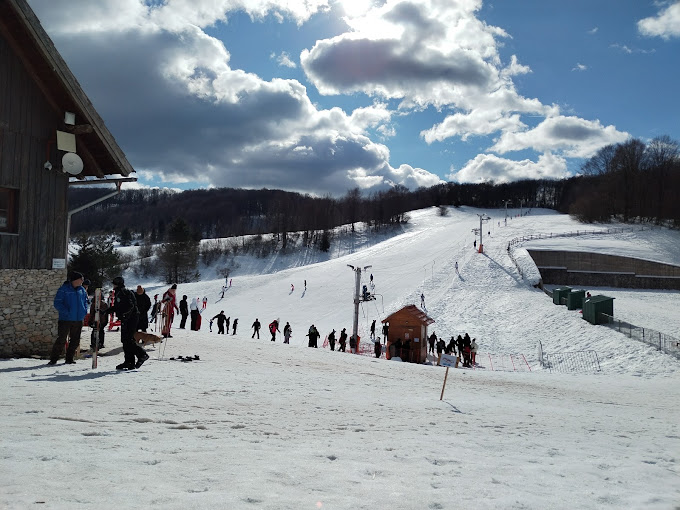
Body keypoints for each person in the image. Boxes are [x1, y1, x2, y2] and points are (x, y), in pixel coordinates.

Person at [107, 276, 149, 370]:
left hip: (131, 318)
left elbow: (130, 306)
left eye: (114, 283)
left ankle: (142, 354)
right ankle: (129, 362)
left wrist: (125, 315)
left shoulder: (123, 292)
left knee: (128, 340)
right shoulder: (119, 292)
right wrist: (108, 310)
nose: (113, 285)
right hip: (127, 318)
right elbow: (119, 306)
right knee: (125, 340)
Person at [49, 271, 89, 365]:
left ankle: (69, 358)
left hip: (78, 319)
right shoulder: (64, 289)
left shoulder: (82, 290)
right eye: (80, 279)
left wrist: (84, 312)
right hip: (65, 319)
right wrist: (67, 312)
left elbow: (85, 302)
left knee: (75, 340)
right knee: (61, 339)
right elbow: (57, 303)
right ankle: (54, 359)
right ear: (75, 280)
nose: (82, 281)